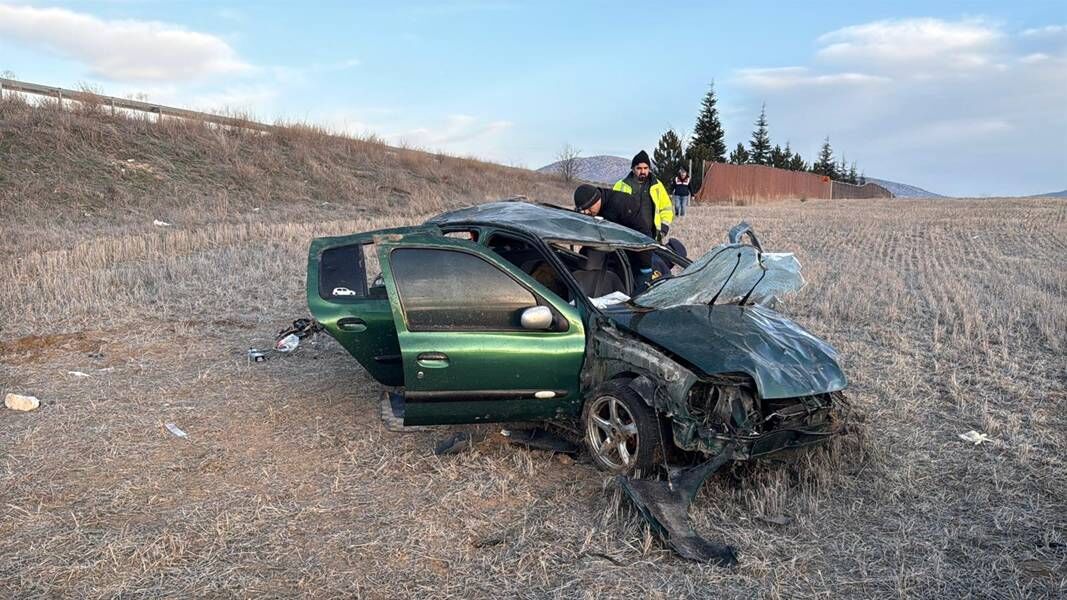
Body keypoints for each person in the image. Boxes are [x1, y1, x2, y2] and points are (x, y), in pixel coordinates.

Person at [573, 184, 657, 291]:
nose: (587, 213)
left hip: (635, 256)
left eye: (589, 208)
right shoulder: (593, 211)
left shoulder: (622, 204)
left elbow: (642, 233)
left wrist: (645, 266)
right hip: (612, 256)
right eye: (584, 210)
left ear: (597, 200)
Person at [612, 150, 673, 241]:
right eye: (639, 168)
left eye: (645, 168)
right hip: (627, 235)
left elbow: (666, 208)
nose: (643, 171)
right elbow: (612, 209)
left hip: (652, 235)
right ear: (633, 169)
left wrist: (664, 227)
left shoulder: (657, 186)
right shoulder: (620, 185)